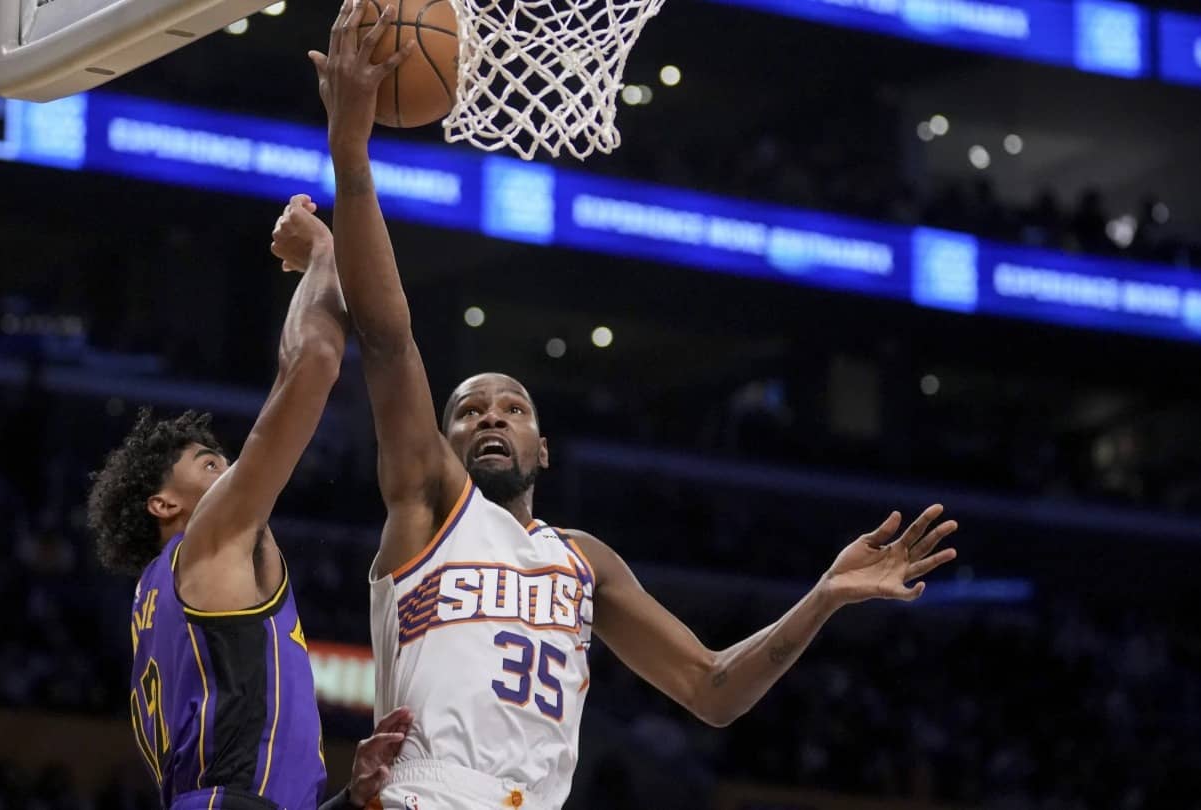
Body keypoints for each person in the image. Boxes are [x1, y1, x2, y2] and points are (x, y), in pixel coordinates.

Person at [307, 5, 963, 808]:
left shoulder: (585, 560)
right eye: (469, 412)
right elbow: (387, 338)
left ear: (544, 447)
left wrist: (823, 595)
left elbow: (712, 688)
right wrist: (350, 151)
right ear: (438, 443)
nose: (491, 417)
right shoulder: (427, 507)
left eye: (512, 408)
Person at [87, 198, 410, 810]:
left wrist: (350, 798)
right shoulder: (208, 539)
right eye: (207, 463)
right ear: (163, 503)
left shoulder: (157, 603)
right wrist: (322, 254)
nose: (231, 469)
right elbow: (313, 363)